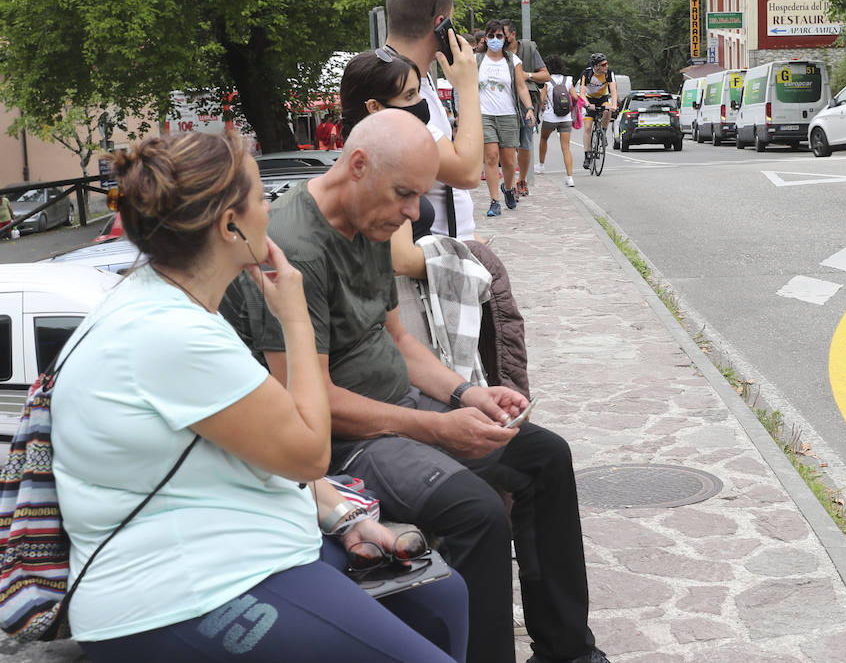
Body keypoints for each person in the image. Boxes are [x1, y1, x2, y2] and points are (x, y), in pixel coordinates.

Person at [51, 130, 469, 661]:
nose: (270, 209)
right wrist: (295, 318)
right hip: (179, 594)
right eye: (259, 198)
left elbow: (261, 448)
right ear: (230, 225)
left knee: (440, 596)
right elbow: (309, 453)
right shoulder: (173, 335)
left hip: (241, 548)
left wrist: (347, 519)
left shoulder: (173, 305)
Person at [223, 110, 607, 663]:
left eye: (419, 196)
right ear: (357, 165)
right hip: (348, 441)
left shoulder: (370, 219)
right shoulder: (294, 249)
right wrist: (436, 427)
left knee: (546, 456)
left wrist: (466, 394)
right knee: (477, 514)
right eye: (404, 195)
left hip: (403, 409)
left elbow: (398, 338)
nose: (413, 214)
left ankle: (568, 652)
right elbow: (306, 403)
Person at [336, 52, 531, 397]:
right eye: (410, 96)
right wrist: (465, 255)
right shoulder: (379, 167)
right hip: (406, 312)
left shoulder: (370, 157)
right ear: (375, 108)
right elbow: (401, 259)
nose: (420, 104)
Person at [380, 0, 484, 241]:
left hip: (451, 243)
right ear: (441, 24)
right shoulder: (398, 90)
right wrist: (468, 87)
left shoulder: (417, 77)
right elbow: (468, 172)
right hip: (430, 254)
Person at [477, 19, 537, 217]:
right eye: (491, 35)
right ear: (486, 38)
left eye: (499, 36)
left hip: (508, 115)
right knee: (491, 157)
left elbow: (521, 87)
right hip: (485, 115)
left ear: (504, 38)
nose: (495, 39)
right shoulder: (477, 60)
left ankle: (508, 188)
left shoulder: (512, 60)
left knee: (509, 162)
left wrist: (529, 108)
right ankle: (494, 201)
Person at [501, 19, 549, 198]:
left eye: (503, 34)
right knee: (507, 144)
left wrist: (526, 75)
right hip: (503, 101)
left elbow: (546, 76)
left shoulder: (529, 49)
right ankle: (510, 183)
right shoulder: (495, 52)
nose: (499, 38)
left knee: (525, 142)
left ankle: (522, 180)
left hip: (526, 102)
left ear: (513, 34)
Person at [536, 54, 577, 187]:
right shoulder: (568, 80)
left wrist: (538, 113)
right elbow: (575, 97)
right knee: (566, 148)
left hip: (550, 117)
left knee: (544, 139)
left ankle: (541, 165)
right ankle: (569, 177)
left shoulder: (547, 81)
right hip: (566, 117)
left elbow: (542, 99)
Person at [576, 53, 617, 170]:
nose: (606, 66)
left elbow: (613, 91)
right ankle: (587, 155)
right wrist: (587, 105)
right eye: (604, 64)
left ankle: (603, 131)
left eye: (607, 63)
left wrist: (614, 105)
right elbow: (582, 93)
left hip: (602, 98)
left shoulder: (609, 73)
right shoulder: (586, 73)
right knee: (588, 127)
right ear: (596, 66)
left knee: (607, 110)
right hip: (589, 99)